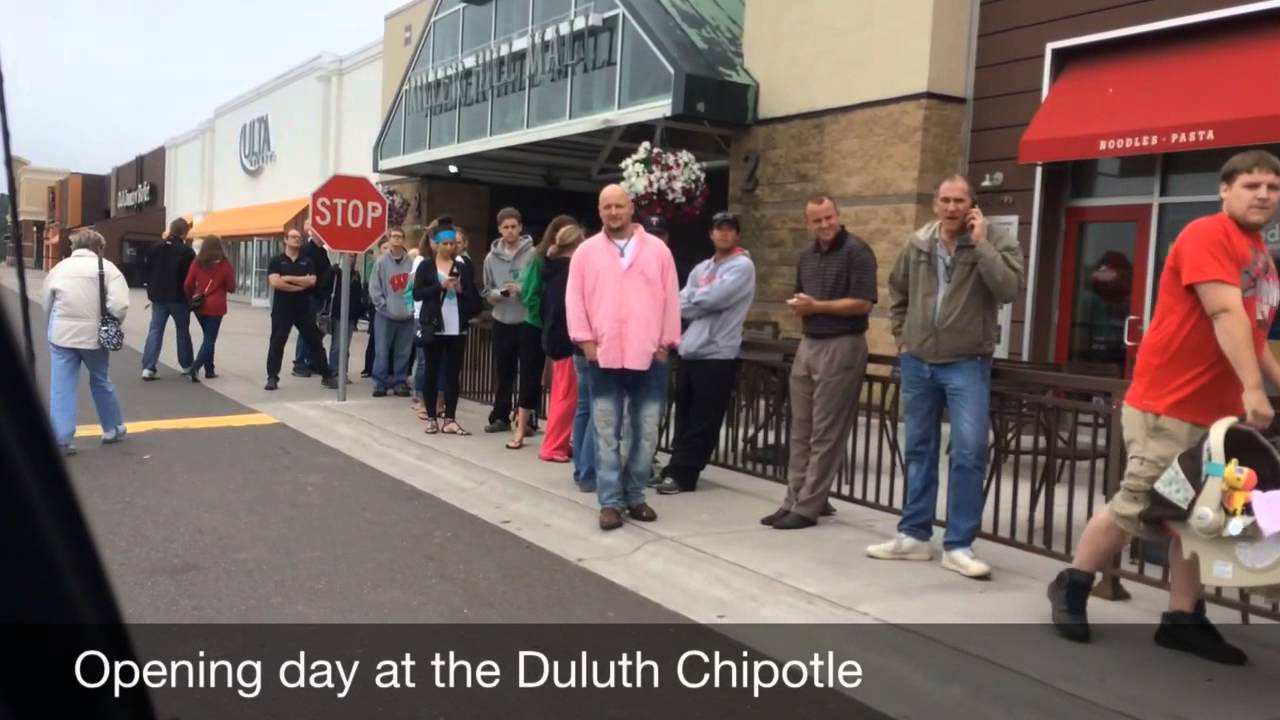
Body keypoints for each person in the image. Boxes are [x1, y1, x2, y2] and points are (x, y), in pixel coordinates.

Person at [1047, 150, 1280, 665]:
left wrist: (1267, 385)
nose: (1263, 194)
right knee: (1141, 501)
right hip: (1170, 405)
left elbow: (1253, 330)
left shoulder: (1258, 252)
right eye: (1251, 185)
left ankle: (1182, 619)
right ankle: (1073, 583)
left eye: (1272, 187)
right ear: (1224, 190)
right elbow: (1222, 312)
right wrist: (1253, 389)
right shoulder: (1207, 235)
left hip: (1216, 417)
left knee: (1198, 519)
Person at [865, 175, 1023, 578]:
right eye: (945, 200)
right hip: (918, 361)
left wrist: (982, 243)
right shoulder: (917, 243)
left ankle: (959, 544)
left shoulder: (997, 241)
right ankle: (915, 536)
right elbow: (897, 291)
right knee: (918, 447)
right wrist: (902, 337)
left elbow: (1008, 289)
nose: (951, 208)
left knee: (969, 450)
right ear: (936, 204)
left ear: (973, 205)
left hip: (967, 362)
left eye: (959, 201)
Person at [566, 184, 681, 531]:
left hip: (649, 356)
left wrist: (665, 343)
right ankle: (611, 501)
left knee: (646, 431)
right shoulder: (585, 252)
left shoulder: (658, 251)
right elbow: (575, 300)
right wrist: (585, 342)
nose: (613, 212)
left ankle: (635, 494)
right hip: (603, 356)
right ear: (599, 211)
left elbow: (671, 298)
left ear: (631, 208)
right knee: (606, 432)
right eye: (606, 207)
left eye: (619, 206)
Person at [761, 196, 877, 531]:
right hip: (809, 343)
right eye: (817, 220)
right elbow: (805, 296)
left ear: (838, 216)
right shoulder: (806, 256)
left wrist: (817, 307)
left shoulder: (857, 251)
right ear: (807, 223)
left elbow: (864, 303)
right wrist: (801, 305)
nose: (824, 225)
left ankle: (808, 507)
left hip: (842, 344)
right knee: (801, 429)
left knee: (826, 432)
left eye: (829, 218)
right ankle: (793, 499)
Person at [654, 212, 756, 495]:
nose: (723, 234)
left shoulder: (743, 267)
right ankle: (675, 466)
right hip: (690, 351)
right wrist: (699, 302)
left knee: (704, 419)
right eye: (718, 229)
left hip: (718, 354)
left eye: (729, 229)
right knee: (684, 415)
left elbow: (714, 298)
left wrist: (697, 301)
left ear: (737, 234)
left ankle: (686, 475)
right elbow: (680, 302)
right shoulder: (702, 267)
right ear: (711, 234)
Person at [43, 228, 130, 456]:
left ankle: (61, 439)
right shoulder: (108, 269)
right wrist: (111, 322)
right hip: (94, 336)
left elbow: (47, 303)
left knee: (62, 386)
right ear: (99, 247)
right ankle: (112, 428)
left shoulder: (59, 269)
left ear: (74, 246)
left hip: (61, 334)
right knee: (100, 380)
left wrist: (51, 327)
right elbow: (119, 305)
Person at [508, 216, 575, 450]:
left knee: (563, 383)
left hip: (560, 326)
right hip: (536, 323)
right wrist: (545, 313)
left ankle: (562, 433)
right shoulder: (539, 257)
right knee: (529, 376)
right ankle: (520, 428)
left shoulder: (573, 260)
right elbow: (529, 292)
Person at [415, 220, 482, 435]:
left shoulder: (462, 267)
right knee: (432, 372)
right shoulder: (426, 266)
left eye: (453, 243)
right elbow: (417, 293)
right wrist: (440, 286)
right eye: (445, 243)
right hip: (435, 326)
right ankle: (432, 417)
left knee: (453, 374)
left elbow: (474, 300)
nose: (450, 247)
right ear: (436, 244)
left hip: (456, 327)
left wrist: (461, 288)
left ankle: (451, 418)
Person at [525, 216, 581, 460]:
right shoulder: (568, 272)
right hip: (567, 339)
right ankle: (554, 446)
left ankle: (556, 442)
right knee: (566, 396)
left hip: (554, 337)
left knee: (561, 393)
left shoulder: (552, 269)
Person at [483, 207, 536, 433]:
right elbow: (486, 290)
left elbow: (537, 287)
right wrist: (499, 294)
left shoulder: (533, 254)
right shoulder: (490, 258)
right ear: (499, 229)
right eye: (505, 227)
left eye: (514, 227)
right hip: (502, 318)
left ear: (520, 228)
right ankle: (500, 416)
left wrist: (522, 289)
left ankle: (527, 419)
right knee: (504, 371)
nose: (510, 231)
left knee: (529, 371)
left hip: (526, 319)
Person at [264, 228, 337, 391]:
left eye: (299, 238)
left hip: (303, 308)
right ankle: (272, 377)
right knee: (277, 342)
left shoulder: (307, 261)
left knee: (314, 341)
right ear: (285, 240)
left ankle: (326, 375)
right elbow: (275, 282)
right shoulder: (277, 260)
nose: (296, 240)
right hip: (282, 309)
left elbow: (311, 281)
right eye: (293, 237)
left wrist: (288, 279)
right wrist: (298, 286)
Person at [141, 217, 196, 380]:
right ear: (185, 233)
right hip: (179, 297)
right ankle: (186, 365)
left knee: (156, 330)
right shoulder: (187, 252)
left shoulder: (155, 248)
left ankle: (148, 367)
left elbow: (146, 270)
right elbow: (190, 278)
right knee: (182, 330)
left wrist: (150, 288)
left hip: (158, 296)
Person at [368, 227, 417, 397]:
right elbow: (374, 287)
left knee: (403, 351)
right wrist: (383, 306)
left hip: (407, 315)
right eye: (393, 236)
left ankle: (400, 381)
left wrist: (412, 308)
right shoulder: (381, 262)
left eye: (400, 236)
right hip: (385, 316)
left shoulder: (411, 262)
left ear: (404, 239)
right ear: (389, 239)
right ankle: (380, 383)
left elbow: (416, 286)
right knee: (382, 350)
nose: (396, 239)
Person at [182, 235, 236, 383]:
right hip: (216, 306)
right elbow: (231, 287)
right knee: (210, 339)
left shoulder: (197, 262)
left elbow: (187, 283)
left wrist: (192, 296)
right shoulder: (225, 264)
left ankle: (210, 369)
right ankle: (196, 367)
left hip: (200, 305)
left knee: (207, 336)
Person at [292, 221, 333, 378]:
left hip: (320, 295)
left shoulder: (322, 252)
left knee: (317, 331)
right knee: (306, 330)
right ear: (314, 233)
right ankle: (300, 362)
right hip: (309, 296)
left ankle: (311, 360)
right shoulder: (306, 251)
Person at [326, 260, 364, 384]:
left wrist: (358, 314)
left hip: (351, 315)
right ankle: (333, 371)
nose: (351, 258)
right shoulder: (335, 272)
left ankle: (343, 372)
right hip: (337, 313)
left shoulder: (356, 275)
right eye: (349, 256)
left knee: (345, 346)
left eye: (353, 256)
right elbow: (325, 288)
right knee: (337, 345)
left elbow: (358, 295)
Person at [361, 239, 389, 378]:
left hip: (393, 306)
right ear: (379, 250)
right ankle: (370, 367)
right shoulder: (374, 264)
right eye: (384, 247)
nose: (387, 250)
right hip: (377, 305)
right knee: (375, 336)